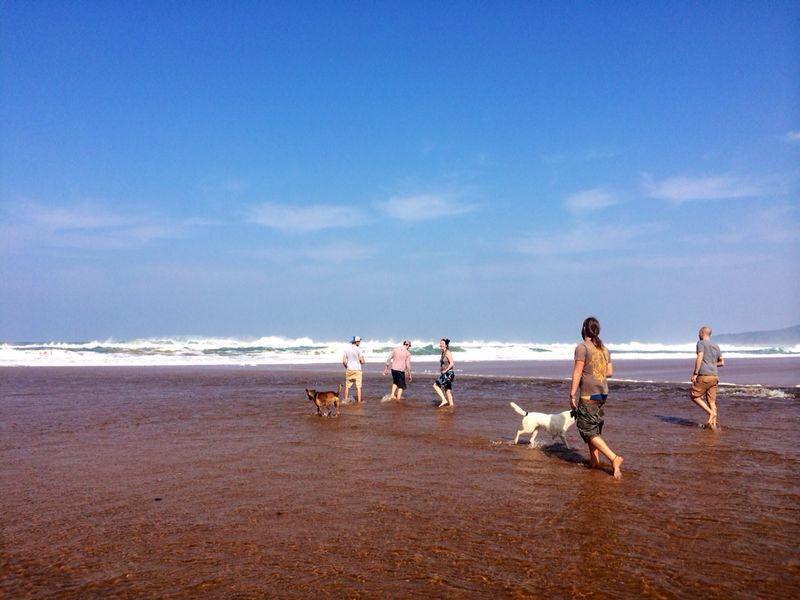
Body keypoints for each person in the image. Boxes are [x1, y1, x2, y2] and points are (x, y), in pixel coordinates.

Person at [569, 317, 623, 479]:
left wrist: (571, 394)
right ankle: (594, 461)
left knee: (586, 428)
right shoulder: (604, 349)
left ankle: (614, 458)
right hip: (602, 393)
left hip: (588, 392)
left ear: (584, 329)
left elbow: (577, 372)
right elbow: (609, 372)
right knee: (594, 428)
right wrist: (595, 370)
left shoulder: (582, 347)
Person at [690, 326, 724, 429]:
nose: (698, 335)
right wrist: (712, 365)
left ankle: (711, 413)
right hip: (714, 376)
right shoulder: (716, 346)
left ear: (702, 333)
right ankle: (712, 424)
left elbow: (700, 356)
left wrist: (695, 373)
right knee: (711, 401)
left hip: (704, 375)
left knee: (694, 396)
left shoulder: (700, 343)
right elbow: (722, 362)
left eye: (699, 333)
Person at [342, 335, 366, 403]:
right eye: (359, 341)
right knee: (358, 387)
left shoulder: (346, 349)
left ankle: (345, 400)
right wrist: (362, 362)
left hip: (349, 369)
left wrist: (347, 367)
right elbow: (362, 361)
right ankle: (359, 401)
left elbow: (343, 361)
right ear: (357, 342)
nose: (360, 342)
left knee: (347, 386)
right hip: (357, 370)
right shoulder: (359, 349)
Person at [433, 338, 455, 408]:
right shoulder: (443, 353)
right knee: (447, 391)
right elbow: (443, 363)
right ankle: (451, 406)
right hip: (446, 374)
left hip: (449, 374)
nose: (441, 345)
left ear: (446, 345)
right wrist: (441, 368)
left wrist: (445, 370)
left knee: (435, 385)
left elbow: (452, 364)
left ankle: (444, 400)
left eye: (442, 343)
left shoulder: (448, 352)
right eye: (440, 343)